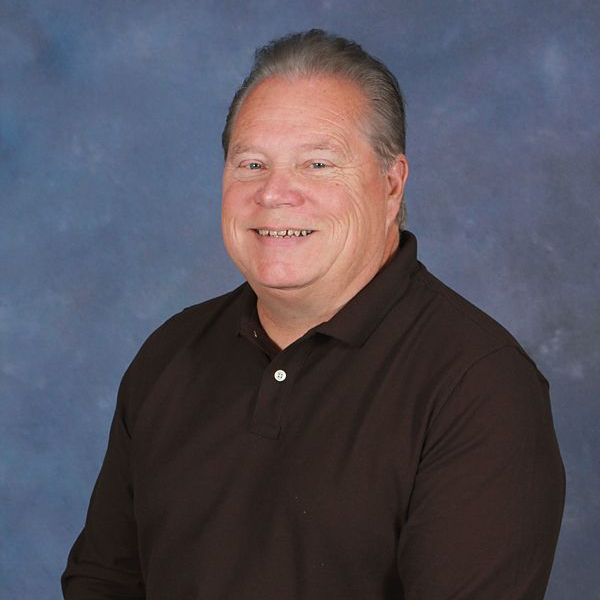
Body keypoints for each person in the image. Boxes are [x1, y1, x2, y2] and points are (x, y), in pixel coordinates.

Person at [62, 29, 565, 599]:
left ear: (392, 183)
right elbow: (103, 582)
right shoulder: (170, 354)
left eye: (318, 164)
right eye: (251, 164)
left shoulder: (480, 386)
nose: (275, 193)